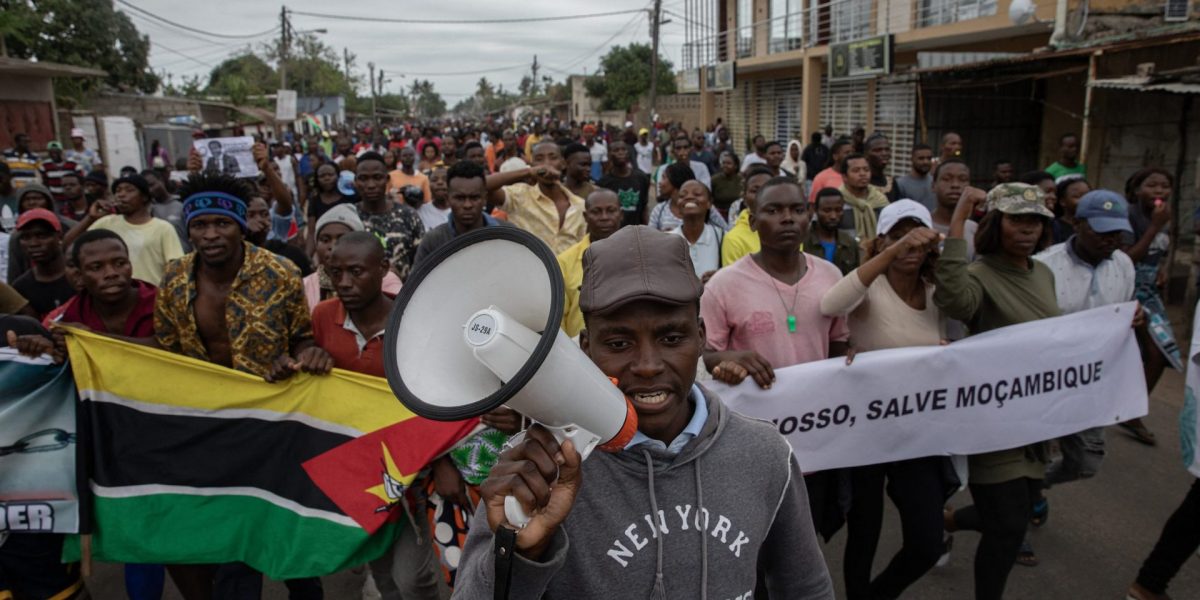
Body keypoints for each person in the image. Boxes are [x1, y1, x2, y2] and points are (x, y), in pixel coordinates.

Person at [453, 224, 835, 600]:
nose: (648, 365)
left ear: (701, 336)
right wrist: (521, 552)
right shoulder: (538, 468)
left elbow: (807, 588)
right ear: (586, 347)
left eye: (671, 338)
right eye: (619, 343)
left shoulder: (765, 452)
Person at [152, 171, 330, 597]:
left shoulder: (280, 272)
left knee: (290, 544)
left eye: (221, 223)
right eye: (200, 225)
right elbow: (164, 350)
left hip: (273, 427)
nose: (211, 234)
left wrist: (306, 355)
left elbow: (302, 337)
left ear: (241, 224)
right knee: (233, 548)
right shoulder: (175, 279)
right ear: (188, 228)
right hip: (209, 430)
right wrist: (86, 342)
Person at [702, 178, 850, 537]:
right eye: (773, 211)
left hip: (816, 441)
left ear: (809, 216)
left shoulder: (831, 276)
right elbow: (706, 355)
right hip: (754, 447)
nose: (787, 219)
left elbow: (839, 346)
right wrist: (731, 359)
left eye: (796, 210)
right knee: (755, 545)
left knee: (807, 542)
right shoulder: (723, 285)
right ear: (753, 222)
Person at [820, 199, 949, 600]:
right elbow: (830, 304)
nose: (910, 250)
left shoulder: (935, 292)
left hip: (916, 433)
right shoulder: (868, 286)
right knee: (865, 531)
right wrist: (890, 252)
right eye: (899, 238)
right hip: (865, 430)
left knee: (927, 543)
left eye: (918, 241)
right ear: (882, 242)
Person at [935, 183, 1058, 600]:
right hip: (995, 418)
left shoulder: (1043, 273)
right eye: (1017, 220)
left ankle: (949, 521)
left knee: (1014, 515)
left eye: (1036, 222)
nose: (1028, 230)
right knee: (1006, 525)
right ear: (995, 224)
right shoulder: (979, 275)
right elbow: (953, 299)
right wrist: (957, 222)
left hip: (1036, 419)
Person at [309, 231, 446, 600]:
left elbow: (438, 395)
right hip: (351, 467)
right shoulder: (322, 317)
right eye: (335, 273)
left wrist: (444, 461)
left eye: (356, 272)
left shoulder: (411, 321)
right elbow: (304, 362)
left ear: (383, 268)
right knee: (382, 571)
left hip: (410, 469)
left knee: (413, 577)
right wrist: (307, 351)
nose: (344, 283)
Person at [1120, 167, 1179, 446]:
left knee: (1156, 354)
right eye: (1152, 185)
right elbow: (1126, 259)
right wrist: (1154, 226)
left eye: (1164, 186)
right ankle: (1128, 410)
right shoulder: (1129, 216)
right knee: (1155, 353)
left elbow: (1162, 250)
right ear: (1136, 190)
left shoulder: (1163, 215)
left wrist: (1163, 268)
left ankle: (1131, 409)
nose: (1159, 191)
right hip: (1129, 293)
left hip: (1150, 294)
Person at [66, 173, 184, 285]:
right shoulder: (107, 223)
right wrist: (90, 218)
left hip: (152, 298)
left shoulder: (162, 228)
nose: (121, 195)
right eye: (118, 191)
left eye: (129, 190)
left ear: (144, 197)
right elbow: (68, 245)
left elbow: (177, 269)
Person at [485, 140, 585, 254]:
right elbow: (480, 186)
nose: (546, 164)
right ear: (532, 165)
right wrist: (527, 172)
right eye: (539, 159)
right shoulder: (519, 196)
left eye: (553, 158)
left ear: (563, 164)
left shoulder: (579, 205)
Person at [303, 204, 401, 311]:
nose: (333, 247)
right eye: (325, 240)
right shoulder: (305, 285)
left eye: (342, 239)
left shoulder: (384, 279)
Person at [416, 160, 513, 265]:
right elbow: (418, 280)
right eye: (460, 198)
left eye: (474, 198)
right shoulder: (433, 241)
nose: (468, 205)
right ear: (448, 198)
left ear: (485, 198)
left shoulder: (508, 234)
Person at [557, 189, 623, 338]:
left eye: (611, 211)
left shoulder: (639, 256)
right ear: (586, 217)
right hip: (578, 353)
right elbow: (558, 318)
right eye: (596, 212)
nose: (604, 217)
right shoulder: (565, 261)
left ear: (621, 214)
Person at [355, 152, 425, 281]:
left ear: (387, 180)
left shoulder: (408, 215)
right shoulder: (349, 216)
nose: (371, 185)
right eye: (364, 178)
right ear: (356, 181)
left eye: (377, 177)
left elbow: (421, 260)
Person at [10, 209, 74, 318]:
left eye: (42, 236)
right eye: (26, 237)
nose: (33, 244)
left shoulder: (80, 277)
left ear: (59, 237)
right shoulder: (21, 288)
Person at [649, 162, 727, 232]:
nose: (660, 182)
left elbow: (726, 231)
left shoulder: (703, 206)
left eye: (664, 177)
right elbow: (650, 238)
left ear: (675, 180)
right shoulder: (659, 210)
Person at [721, 165, 773, 267]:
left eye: (767, 189)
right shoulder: (734, 239)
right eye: (755, 190)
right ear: (744, 198)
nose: (762, 195)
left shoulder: (789, 231)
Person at [670, 180, 724, 279]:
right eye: (682, 195)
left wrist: (718, 278)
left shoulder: (722, 237)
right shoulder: (667, 240)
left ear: (709, 203)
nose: (689, 197)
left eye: (697, 194)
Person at [805, 187, 861, 276]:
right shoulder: (802, 241)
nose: (833, 216)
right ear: (815, 209)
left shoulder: (850, 243)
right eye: (827, 210)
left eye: (838, 210)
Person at [930, 159, 979, 260]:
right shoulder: (922, 226)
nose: (955, 185)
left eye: (962, 179)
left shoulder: (976, 230)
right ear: (933, 186)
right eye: (947, 179)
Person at [596, 140, 649, 227]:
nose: (620, 153)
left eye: (623, 149)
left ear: (628, 153)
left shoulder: (641, 178)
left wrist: (646, 230)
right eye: (616, 150)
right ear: (609, 155)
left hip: (636, 232)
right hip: (614, 233)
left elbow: (644, 208)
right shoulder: (603, 183)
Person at [839, 154, 890, 242]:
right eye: (856, 170)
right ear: (844, 177)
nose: (862, 174)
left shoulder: (880, 200)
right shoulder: (837, 200)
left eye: (866, 170)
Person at [143, 169, 187, 249]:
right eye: (146, 188)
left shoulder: (182, 203)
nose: (150, 190)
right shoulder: (147, 210)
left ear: (161, 180)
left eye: (152, 185)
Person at [895, 143, 935, 211]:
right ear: (912, 159)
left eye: (929, 158)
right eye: (921, 158)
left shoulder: (935, 182)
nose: (925, 162)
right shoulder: (900, 184)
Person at [1052, 175, 1091, 244]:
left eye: (1088, 195)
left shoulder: (1096, 226)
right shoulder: (1055, 228)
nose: (1085, 200)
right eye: (1077, 196)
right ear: (1062, 201)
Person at [709, 151, 742, 221]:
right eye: (723, 163)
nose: (725, 166)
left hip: (737, 214)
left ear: (735, 166)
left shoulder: (741, 180)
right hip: (719, 215)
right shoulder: (715, 179)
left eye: (728, 163)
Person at [418, 166, 451, 232]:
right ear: (429, 184)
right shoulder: (421, 211)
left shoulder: (459, 210)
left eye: (445, 179)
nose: (440, 182)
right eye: (434, 180)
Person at [864, 134, 897, 200]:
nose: (884, 153)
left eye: (887, 149)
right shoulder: (861, 182)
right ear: (866, 154)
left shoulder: (892, 183)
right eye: (878, 150)